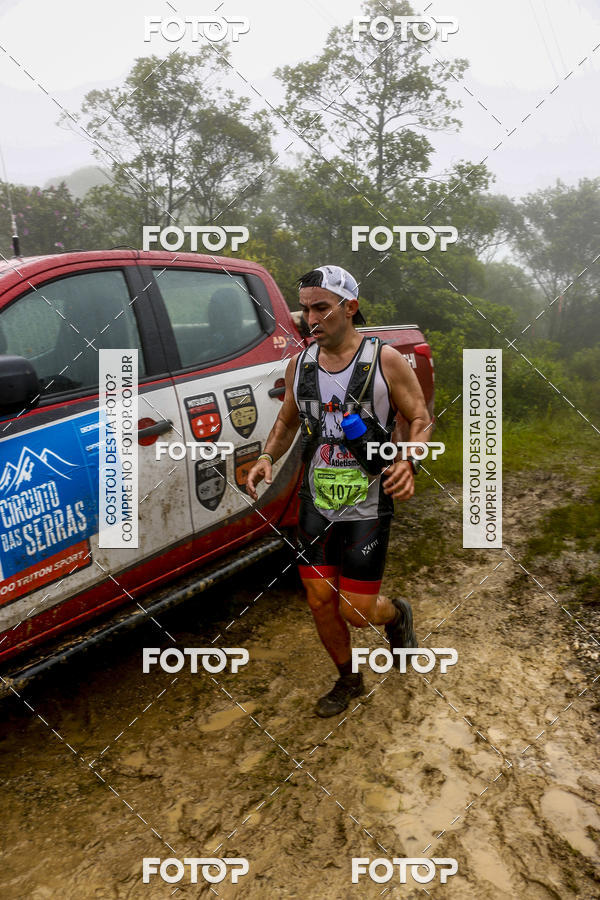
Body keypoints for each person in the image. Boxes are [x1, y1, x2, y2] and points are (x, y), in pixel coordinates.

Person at [247, 265, 431, 717]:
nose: (311, 319)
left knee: (356, 611)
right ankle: (348, 679)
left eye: (322, 308)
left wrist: (407, 460)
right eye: (305, 309)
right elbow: (287, 421)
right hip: (317, 502)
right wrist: (267, 456)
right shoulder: (301, 364)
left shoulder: (385, 360)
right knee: (319, 600)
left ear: (349, 307)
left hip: (368, 502)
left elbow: (420, 418)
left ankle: (397, 613)